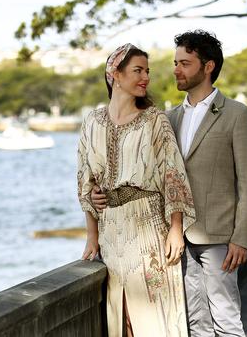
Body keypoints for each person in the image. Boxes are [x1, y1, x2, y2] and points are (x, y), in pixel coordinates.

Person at [92, 30, 247, 336]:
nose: (175, 69)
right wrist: (99, 193)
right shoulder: (167, 118)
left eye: (184, 63)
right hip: (174, 240)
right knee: (195, 321)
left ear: (207, 66)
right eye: (174, 63)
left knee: (225, 318)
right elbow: (148, 175)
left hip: (218, 236)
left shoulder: (238, 115)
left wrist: (242, 238)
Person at [77, 43, 196, 336]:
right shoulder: (92, 122)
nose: (145, 77)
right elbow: (84, 180)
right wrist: (92, 236)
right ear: (115, 74)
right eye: (138, 70)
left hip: (148, 227)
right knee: (124, 319)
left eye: (148, 71)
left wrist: (176, 228)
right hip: (111, 231)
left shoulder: (155, 120)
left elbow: (173, 175)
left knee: (154, 318)